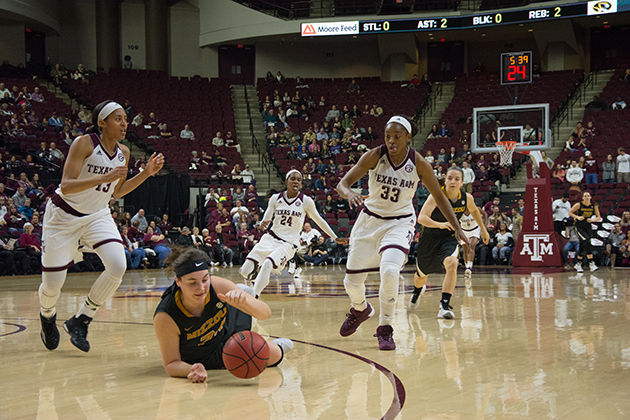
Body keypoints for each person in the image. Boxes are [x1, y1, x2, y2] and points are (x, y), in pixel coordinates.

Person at [38, 100, 164, 353]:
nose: (124, 124)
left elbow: (117, 192)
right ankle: (47, 315)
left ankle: (81, 319)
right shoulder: (84, 143)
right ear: (102, 122)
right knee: (53, 284)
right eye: (118, 119)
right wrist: (102, 177)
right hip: (63, 216)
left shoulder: (124, 152)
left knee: (118, 265)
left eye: (125, 120)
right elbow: (67, 184)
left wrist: (146, 173)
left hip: (97, 214)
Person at [336, 116, 468, 350]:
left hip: (399, 222)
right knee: (352, 282)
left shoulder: (419, 163)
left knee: (389, 270)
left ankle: (385, 328)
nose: (391, 141)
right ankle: (360, 309)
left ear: (408, 137)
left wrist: (458, 228)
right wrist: (350, 194)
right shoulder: (374, 155)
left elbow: (439, 196)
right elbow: (343, 183)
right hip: (369, 220)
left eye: (397, 136)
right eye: (388, 136)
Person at [153, 247, 293, 383]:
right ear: (178, 281)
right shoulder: (165, 315)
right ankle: (240, 291)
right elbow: (171, 364)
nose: (201, 288)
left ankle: (242, 293)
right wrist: (191, 369)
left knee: (274, 354)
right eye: (192, 282)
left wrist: (245, 302)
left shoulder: (216, 285)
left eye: (205, 279)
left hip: (227, 331)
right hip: (201, 356)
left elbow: (265, 313)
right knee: (262, 357)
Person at [239, 170, 342, 298]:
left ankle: (255, 297)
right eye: (293, 178)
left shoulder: (306, 201)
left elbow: (319, 220)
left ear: (301, 184)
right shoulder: (276, 198)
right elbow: (268, 214)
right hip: (270, 238)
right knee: (244, 271)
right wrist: (264, 222)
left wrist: (335, 237)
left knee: (267, 263)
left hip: (288, 244)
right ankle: (255, 278)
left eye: (299, 180)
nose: (296, 181)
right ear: (287, 181)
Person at [411, 167, 489, 318]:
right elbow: (421, 218)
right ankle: (417, 289)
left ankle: (444, 306)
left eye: (457, 179)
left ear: (462, 182)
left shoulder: (467, 198)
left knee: (452, 263)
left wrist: (483, 230)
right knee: (421, 276)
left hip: (449, 237)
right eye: (450, 178)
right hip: (429, 239)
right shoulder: (436, 196)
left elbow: (474, 211)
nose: (453, 181)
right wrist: (440, 224)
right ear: (445, 180)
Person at [569, 191, 601, 272]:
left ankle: (578, 264)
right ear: (583, 197)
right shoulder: (579, 204)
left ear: (590, 197)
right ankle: (591, 263)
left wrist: (593, 219)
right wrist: (577, 217)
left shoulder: (594, 205)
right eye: (585, 196)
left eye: (588, 195)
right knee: (586, 241)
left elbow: (598, 217)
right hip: (579, 226)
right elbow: (570, 212)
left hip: (588, 226)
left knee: (583, 244)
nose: (587, 197)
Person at [459, 205, 489, 278]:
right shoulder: (459, 210)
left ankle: (469, 268)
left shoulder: (476, 209)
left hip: (475, 230)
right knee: (465, 250)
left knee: (471, 246)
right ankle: (467, 267)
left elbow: (485, 214)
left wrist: (484, 227)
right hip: (463, 231)